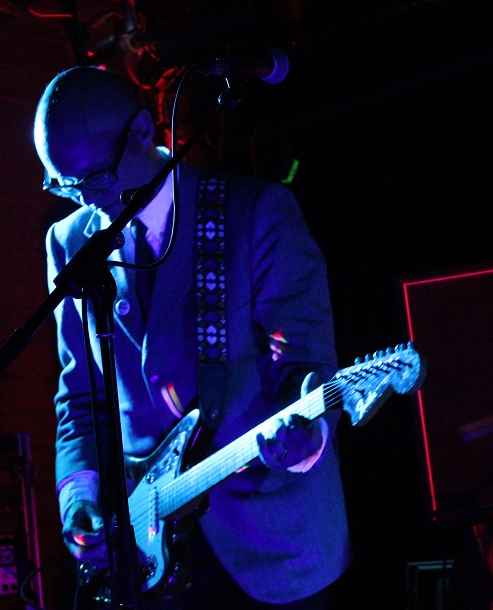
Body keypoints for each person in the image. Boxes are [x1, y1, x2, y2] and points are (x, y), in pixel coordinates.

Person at [34, 65, 351, 608]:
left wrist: (309, 433)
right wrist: (80, 496)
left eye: (97, 177)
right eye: (64, 185)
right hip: (148, 548)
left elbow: (303, 358)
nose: (85, 200)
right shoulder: (69, 242)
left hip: (271, 537)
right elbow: (81, 396)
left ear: (142, 132)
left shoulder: (254, 212)